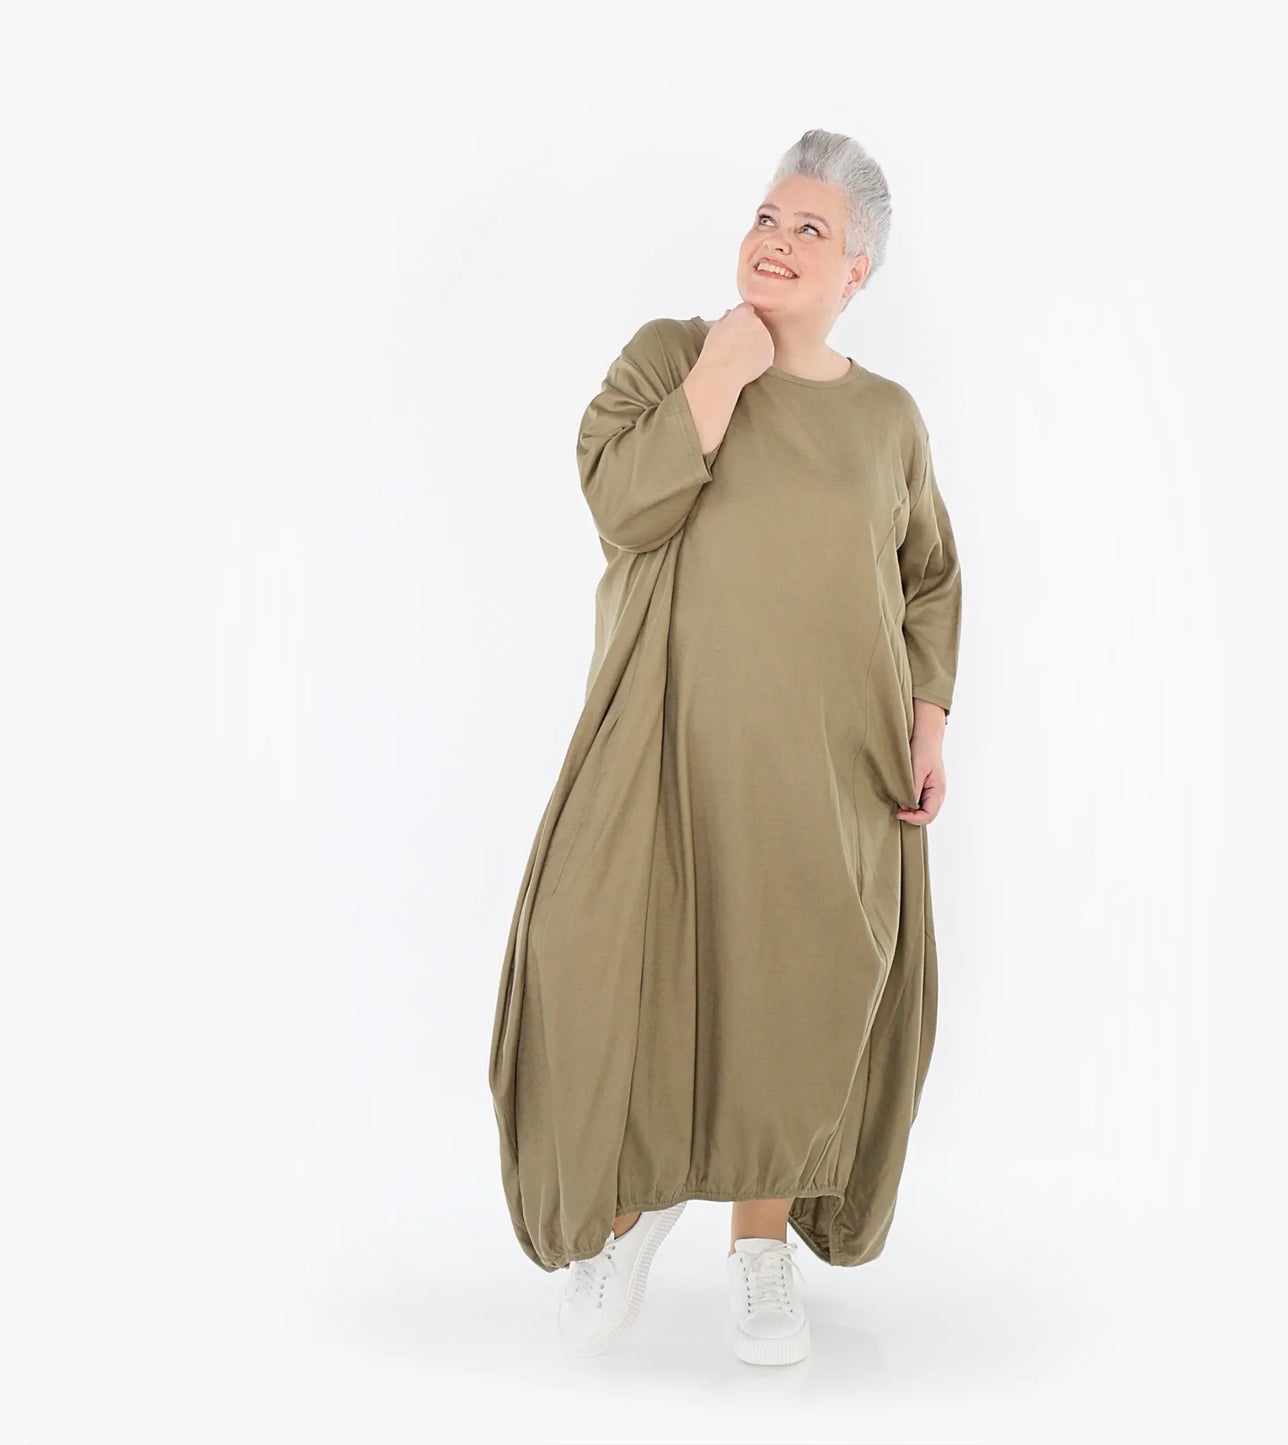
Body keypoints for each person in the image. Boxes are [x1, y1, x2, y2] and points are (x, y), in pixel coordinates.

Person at [488, 128, 963, 1366]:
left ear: (856, 270)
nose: (777, 240)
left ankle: (760, 1246)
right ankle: (628, 1215)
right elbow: (621, 503)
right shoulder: (669, 356)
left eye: (811, 229)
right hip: (660, 741)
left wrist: (927, 720)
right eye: (766, 215)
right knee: (604, 962)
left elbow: (926, 576)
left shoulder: (885, 418)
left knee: (793, 987)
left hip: (829, 764)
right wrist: (720, 371)